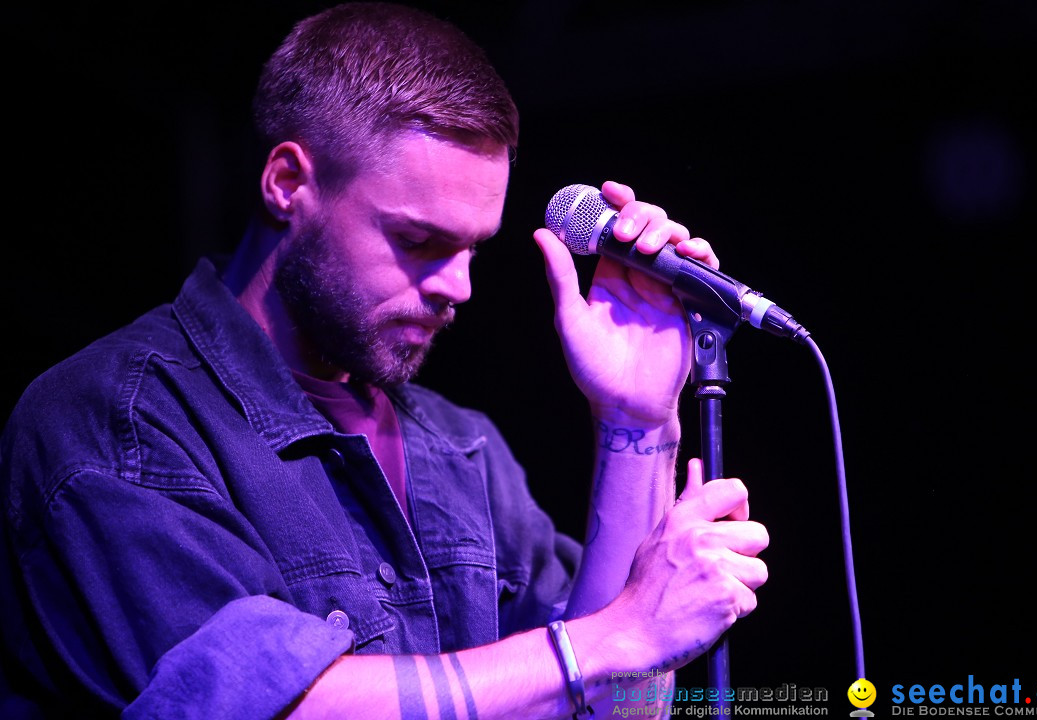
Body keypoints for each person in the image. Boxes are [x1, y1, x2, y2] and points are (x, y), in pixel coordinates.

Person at [0, 3, 768, 718]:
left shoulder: (462, 451)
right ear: (288, 182)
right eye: (419, 242)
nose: (459, 287)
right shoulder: (115, 419)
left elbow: (612, 708)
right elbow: (277, 706)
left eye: (472, 249)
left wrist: (636, 424)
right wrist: (608, 637)